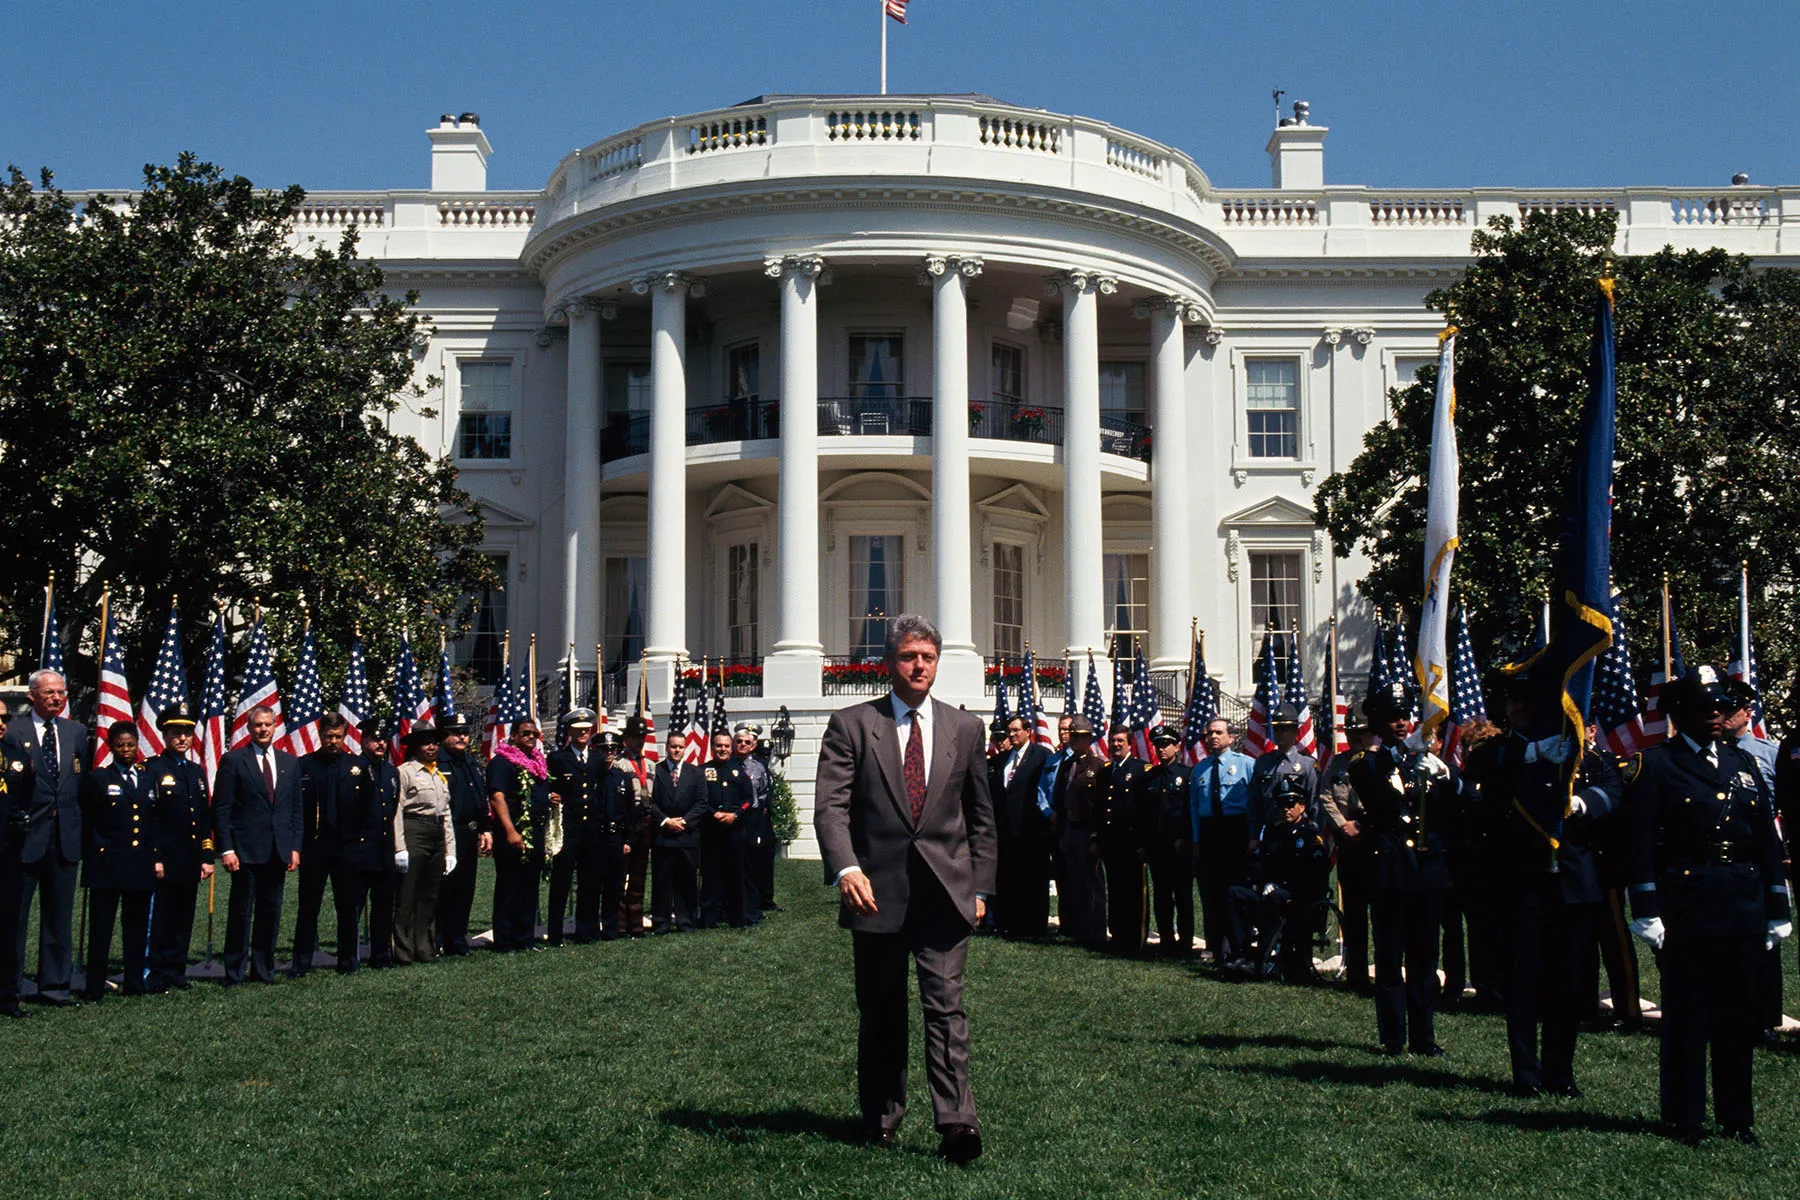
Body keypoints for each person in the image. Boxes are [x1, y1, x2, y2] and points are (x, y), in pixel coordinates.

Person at [814, 613, 996, 1165]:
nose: (920, 667)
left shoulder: (965, 730)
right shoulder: (851, 725)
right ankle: (882, 1117)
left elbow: (981, 819)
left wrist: (982, 887)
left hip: (947, 894)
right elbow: (831, 808)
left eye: (928, 658)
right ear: (889, 662)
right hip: (876, 893)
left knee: (946, 1009)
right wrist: (847, 870)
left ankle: (958, 1122)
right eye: (909, 657)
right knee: (882, 1011)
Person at [1626, 665, 1792, 1145]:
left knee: (1739, 1017)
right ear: (1680, 713)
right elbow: (1638, 843)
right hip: (1688, 905)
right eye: (1705, 708)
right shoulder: (1653, 765)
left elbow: (1763, 836)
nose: (1717, 714)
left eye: (1722, 706)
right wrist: (1646, 907)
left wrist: (1776, 905)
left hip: (1741, 902)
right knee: (1689, 1015)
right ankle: (1685, 1116)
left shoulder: (1742, 764)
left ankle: (1737, 1118)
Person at [1472, 675, 1621, 1097]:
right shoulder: (1499, 751)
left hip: (1574, 883)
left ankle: (1561, 1072)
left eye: (1526, 702)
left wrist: (1583, 802)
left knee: (1569, 982)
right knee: (1523, 981)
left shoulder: (1582, 758)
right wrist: (1532, 752)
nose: (1518, 708)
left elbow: (1612, 790)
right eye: (1512, 702)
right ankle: (1527, 1073)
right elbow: (1488, 772)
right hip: (1524, 881)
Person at [1348, 682, 1457, 1056]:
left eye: (1404, 716)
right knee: (1391, 958)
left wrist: (1447, 776)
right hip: (1390, 871)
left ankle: (1424, 1037)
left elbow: (1462, 803)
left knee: (1425, 958)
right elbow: (1373, 787)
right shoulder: (1366, 762)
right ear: (1377, 723)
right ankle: (1393, 1037)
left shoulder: (1425, 761)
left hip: (1425, 872)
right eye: (1392, 717)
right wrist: (1402, 753)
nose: (1401, 723)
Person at [2, 670, 86, 1007]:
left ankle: (54, 985)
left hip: (65, 837)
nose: (56, 698)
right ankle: (13, 983)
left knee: (58, 916)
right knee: (14, 918)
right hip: (23, 839)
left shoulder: (76, 732)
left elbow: (81, 784)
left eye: (61, 693)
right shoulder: (13, 730)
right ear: (32, 696)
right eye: (49, 692)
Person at [212, 705, 301, 986]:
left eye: (268, 724)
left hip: (278, 850)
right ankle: (234, 971)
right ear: (249, 729)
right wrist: (226, 849)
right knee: (241, 913)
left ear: (276, 726)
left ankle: (263, 969)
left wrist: (294, 848)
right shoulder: (234, 760)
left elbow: (295, 811)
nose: (263, 729)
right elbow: (222, 809)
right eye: (257, 725)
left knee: (270, 912)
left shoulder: (289, 763)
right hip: (245, 851)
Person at [78, 722, 161, 1001]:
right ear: (111, 747)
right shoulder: (99, 779)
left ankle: (134, 982)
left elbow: (152, 823)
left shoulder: (147, 778)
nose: (126, 750)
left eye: (131, 745)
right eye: (120, 745)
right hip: (107, 866)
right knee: (101, 928)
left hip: (139, 864)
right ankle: (94, 986)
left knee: (136, 927)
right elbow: (88, 823)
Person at [1722, 679, 1782, 1040]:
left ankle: (1766, 1017)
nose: (1724, 716)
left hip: (1759, 852)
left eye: (1732, 710)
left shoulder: (1768, 753)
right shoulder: (1708, 754)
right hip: (1719, 856)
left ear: (1748, 712)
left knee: (1764, 940)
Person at [1227, 776, 1331, 981]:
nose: (1286, 810)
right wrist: (1264, 882)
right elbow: (1260, 863)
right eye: (1282, 805)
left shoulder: (1311, 835)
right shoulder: (1274, 832)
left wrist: (1281, 888)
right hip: (1270, 892)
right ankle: (1240, 955)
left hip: (1298, 899)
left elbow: (1315, 873)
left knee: (1277, 900)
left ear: (1302, 806)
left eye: (1291, 805)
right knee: (1235, 893)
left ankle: (1260, 963)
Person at [144, 703, 212, 992]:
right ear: (165, 735)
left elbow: (203, 815)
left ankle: (176, 970)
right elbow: (150, 818)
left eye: (186, 732)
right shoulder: (153, 769)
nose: (182, 738)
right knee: (161, 916)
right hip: (165, 859)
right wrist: (155, 856)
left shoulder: (196, 771)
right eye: (176, 733)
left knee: (184, 917)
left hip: (190, 858)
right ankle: (155, 972)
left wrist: (207, 855)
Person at [1189, 716, 1255, 966]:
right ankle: (1214, 946)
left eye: (1218, 733)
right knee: (1210, 893)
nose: (1212, 738)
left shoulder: (1246, 765)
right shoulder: (1199, 769)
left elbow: (1255, 806)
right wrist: (1196, 839)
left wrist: (1253, 837)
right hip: (1209, 833)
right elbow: (1194, 807)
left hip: (1235, 832)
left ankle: (1239, 946)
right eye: (1209, 734)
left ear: (1232, 737)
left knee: (1235, 891)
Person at [294, 714, 356, 976]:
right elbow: (295, 808)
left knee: (348, 906)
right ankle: (301, 962)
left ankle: (348, 961)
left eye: (338, 737)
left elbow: (364, 808)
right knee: (308, 907)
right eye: (329, 737)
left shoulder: (356, 766)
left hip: (345, 847)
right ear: (320, 736)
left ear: (344, 736)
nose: (333, 741)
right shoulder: (304, 765)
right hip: (314, 846)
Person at [1318, 722, 1375, 991]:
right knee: (1353, 914)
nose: (1355, 737)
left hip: (1375, 845)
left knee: (1382, 914)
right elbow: (1326, 796)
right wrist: (1343, 825)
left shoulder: (1380, 760)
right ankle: (1357, 973)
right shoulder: (1338, 764)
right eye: (1351, 732)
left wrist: (1363, 826)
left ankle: (1386, 971)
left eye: (1361, 731)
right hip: (1349, 846)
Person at [393, 723, 456, 965]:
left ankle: (424, 947)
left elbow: (445, 813)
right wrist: (400, 847)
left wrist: (450, 850)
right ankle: (403, 951)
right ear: (415, 747)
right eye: (425, 743)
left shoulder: (438, 774)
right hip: (413, 829)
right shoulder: (405, 772)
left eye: (434, 742)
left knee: (429, 895)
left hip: (435, 833)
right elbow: (397, 810)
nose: (431, 747)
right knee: (406, 895)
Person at [545, 710, 605, 945]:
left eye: (587, 729)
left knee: (590, 883)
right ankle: (556, 934)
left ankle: (586, 932)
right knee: (561, 882)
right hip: (568, 829)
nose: (583, 733)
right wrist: (550, 795)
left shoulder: (598, 760)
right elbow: (548, 786)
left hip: (591, 830)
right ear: (569, 731)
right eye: (578, 729)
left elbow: (600, 792)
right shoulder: (558, 759)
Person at [488, 720, 549, 952]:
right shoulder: (502, 763)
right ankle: (505, 940)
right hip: (512, 832)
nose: (532, 737)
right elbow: (497, 798)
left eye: (535, 733)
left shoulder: (537, 764)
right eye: (526, 733)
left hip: (535, 831)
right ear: (513, 736)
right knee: (509, 886)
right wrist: (511, 831)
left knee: (529, 886)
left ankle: (525, 938)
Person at [988, 715, 1051, 938]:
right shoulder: (1003, 759)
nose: (1012, 735)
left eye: (1016, 731)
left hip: (1031, 831)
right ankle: (1010, 923)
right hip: (1006, 832)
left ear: (1028, 732)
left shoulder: (1042, 756)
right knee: (1010, 878)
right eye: (1010, 732)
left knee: (1033, 880)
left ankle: (1034, 926)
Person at [435, 719, 492, 957]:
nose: (462, 737)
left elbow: (480, 798)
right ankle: (438, 939)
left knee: (465, 888)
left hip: (470, 832)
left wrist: (486, 829)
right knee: (443, 888)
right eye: (455, 733)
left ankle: (458, 940)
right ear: (444, 735)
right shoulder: (438, 762)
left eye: (465, 733)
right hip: (447, 832)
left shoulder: (470, 762)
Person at [1049, 717, 1105, 947]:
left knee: (1093, 884)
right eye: (1072, 735)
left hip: (1086, 830)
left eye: (1079, 736)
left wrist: (1095, 836)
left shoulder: (1098, 766)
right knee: (1073, 881)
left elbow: (1100, 806)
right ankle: (1079, 929)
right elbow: (1061, 797)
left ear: (1088, 738)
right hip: (1069, 829)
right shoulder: (1067, 764)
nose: (1074, 740)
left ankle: (1097, 931)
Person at [1097, 727, 1150, 955]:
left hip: (1132, 844)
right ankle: (1117, 936)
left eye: (1120, 741)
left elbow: (1146, 812)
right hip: (1111, 843)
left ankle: (1135, 940)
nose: (1116, 745)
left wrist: (1143, 843)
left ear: (1129, 744)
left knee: (1134, 893)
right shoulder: (1106, 772)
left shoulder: (1141, 770)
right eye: (1113, 741)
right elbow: (1100, 809)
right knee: (1116, 891)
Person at [649, 729, 709, 933]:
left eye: (680, 747)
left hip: (687, 835)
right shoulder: (656, 771)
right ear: (667, 747)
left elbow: (702, 803)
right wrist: (665, 821)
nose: (676, 750)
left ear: (685, 749)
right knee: (662, 881)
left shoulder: (696, 773)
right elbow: (650, 801)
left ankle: (686, 921)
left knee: (686, 881)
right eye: (673, 746)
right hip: (663, 836)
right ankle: (661, 922)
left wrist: (683, 821)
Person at [1144, 724, 1194, 958]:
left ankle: (1185, 943)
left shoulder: (1187, 775)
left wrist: (1185, 839)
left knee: (1183, 896)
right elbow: (1144, 814)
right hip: (1157, 846)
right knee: (1162, 897)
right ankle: (1166, 941)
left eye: (1166, 744)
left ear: (1177, 746)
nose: (1161, 749)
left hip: (1180, 846)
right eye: (1158, 745)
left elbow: (1190, 811)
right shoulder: (1150, 776)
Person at [699, 730, 755, 929]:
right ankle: (708, 919)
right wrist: (713, 813)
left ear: (731, 748)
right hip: (711, 831)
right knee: (711, 876)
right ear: (712, 747)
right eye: (718, 745)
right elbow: (699, 799)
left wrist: (736, 815)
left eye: (725, 746)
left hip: (734, 832)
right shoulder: (703, 771)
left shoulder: (739, 772)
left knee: (736, 875)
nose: (722, 749)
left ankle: (737, 919)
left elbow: (749, 799)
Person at [357, 723, 401, 967]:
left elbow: (392, 808)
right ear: (364, 741)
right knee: (355, 906)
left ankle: (380, 954)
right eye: (375, 739)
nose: (381, 743)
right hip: (362, 848)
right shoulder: (355, 768)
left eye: (384, 739)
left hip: (385, 849)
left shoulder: (391, 772)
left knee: (384, 906)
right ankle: (350, 954)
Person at [599, 722, 646, 939]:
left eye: (643, 737)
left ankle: (635, 925)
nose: (640, 741)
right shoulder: (616, 766)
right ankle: (615, 925)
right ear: (626, 739)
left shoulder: (650, 765)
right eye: (635, 737)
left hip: (642, 825)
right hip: (611, 830)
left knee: (636, 878)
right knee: (615, 880)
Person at [1249, 705, 1320, 834]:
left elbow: (1314, 803)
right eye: (1276, 729)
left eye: (1285, 729)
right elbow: (1254, 802)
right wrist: (1254, 835)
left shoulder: (1307, 764)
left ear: (1295, 732)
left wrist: (1314, 832)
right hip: (1271, 831)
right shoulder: (1263, 763)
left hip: (1300, 831)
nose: (1280, 734)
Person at [733, 723, 774, 924]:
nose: (742, 745)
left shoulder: (759, 768)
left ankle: (753, 909)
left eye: (746, 742)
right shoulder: (727, 764)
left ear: (752, 745)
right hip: (731, 820)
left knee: (753, 866)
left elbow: (765, 793)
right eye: (739, 741)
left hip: (752, 820)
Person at [0, 698, 24, 1018]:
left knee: (7, 928)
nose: (1, 722)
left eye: (4, 717)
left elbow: (25, 798)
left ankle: (7, 998)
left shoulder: (16, 757)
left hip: (7, 853)